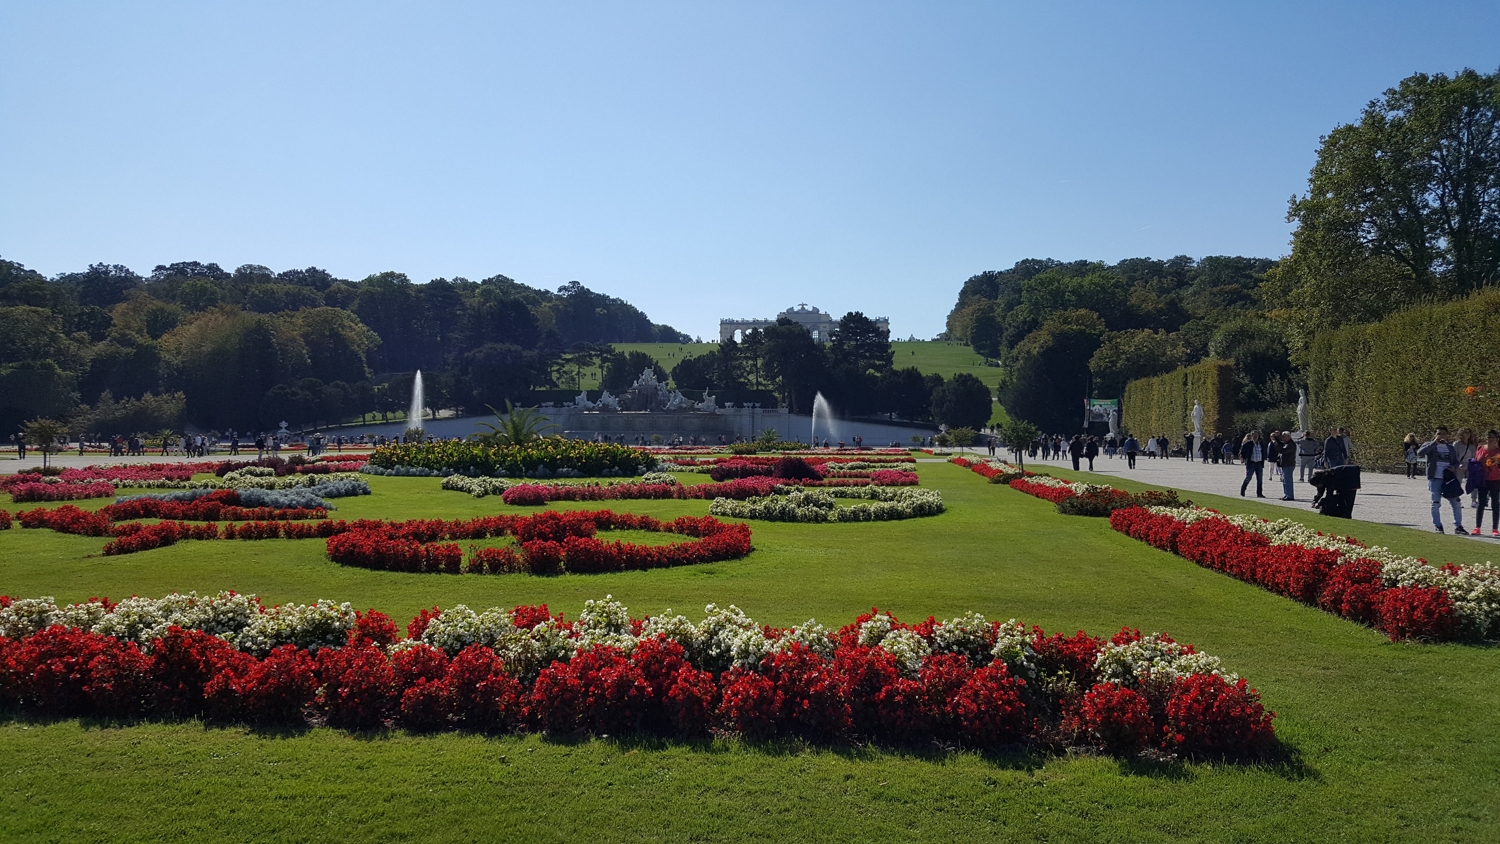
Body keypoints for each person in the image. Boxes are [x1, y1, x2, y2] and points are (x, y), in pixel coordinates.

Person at [1417, 426, 1466, 534]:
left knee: (1456, 502)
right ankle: (1438, 525)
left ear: (1447, 435)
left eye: (1443, 433)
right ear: (1435, 434)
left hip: (1448, 479)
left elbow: (1455, 461)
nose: (1441, 436)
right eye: (1439, 433)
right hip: (1435, 478)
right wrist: (1434, 443)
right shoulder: (1430, 445)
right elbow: (1420, 453)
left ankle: (1458, 526)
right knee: (1435, 503)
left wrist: (1454, 467)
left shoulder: (1450, 447)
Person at [1474, 430, 1500, 537]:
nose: (1490, 439)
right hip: (1483, 479)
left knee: (1495, 504)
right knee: (1481, 503)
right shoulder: (1480, 448)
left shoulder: (1498, 451)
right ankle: (1477, 527)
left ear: (1496, 439)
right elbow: (1476, 461)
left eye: (1492, 437)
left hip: (1495, 479)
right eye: (1488, 437)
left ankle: (1495, 528)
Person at [1239, 431, 1265, 497]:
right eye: (1254, 435)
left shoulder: (1261, 444)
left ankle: (1259, 493)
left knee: (1260, 479)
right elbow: (1242, 452)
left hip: (1259, 463)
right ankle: (1243, 490)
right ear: (1251, 436)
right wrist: (1244, 458)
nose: (1255, 437)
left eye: (1256, 435)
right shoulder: (1248, 443)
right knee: (1248, 477)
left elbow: (1264, 451)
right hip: (1251, 463)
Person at [1277, 431, 1298, 500]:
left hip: (1289, 464)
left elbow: (1284, 451)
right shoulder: (1286, 443)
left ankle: (1290, 495)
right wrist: (1276, 439)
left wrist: (1278, 447)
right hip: (1284, 464)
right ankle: (1286, 494)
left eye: (1284, 436)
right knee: (1284, 480)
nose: (1282, 438)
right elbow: (1281, 444)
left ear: (1288, 436)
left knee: (1288, 480)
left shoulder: (1291, 444)